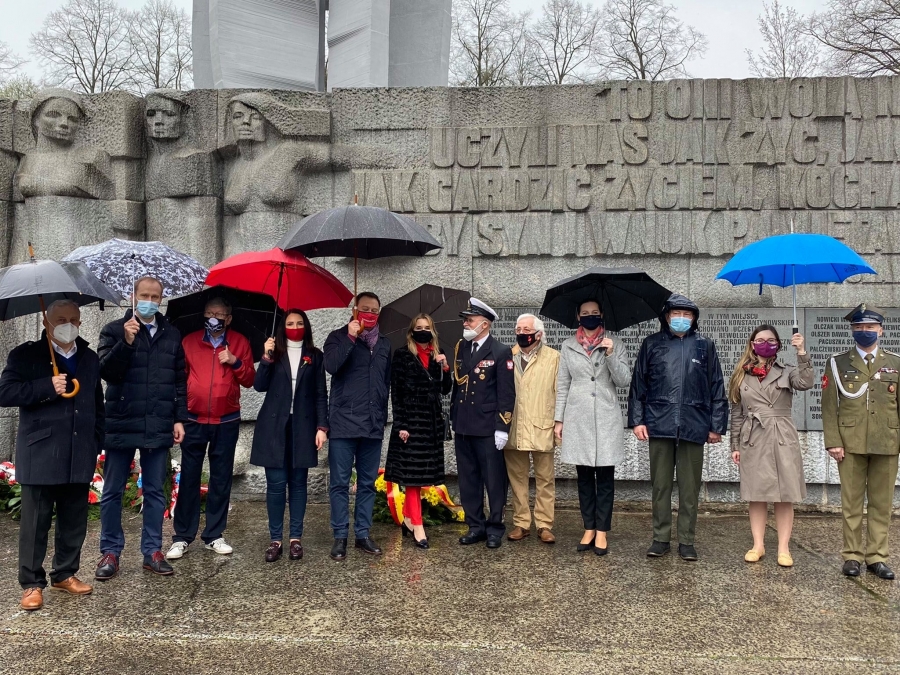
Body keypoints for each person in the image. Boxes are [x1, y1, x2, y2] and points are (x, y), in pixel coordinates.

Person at [0, 300, 104, 611]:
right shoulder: (26, 355)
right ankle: (31, 583)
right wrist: (47, 386)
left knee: (74, 519)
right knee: (36, 522)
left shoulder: (88, 357)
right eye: (60, 319)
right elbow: (5, 392)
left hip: (79, 450)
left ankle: (65, 573)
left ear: (80, 323)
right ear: (47, 322)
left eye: (73, 319)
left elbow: (97, 402)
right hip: (41, 450)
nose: (67, 324)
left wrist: (97, 441)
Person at [95, 276, 188, 580]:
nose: (149, 301)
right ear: (133, 297)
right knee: (112, 490)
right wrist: (126, 342)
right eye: (144, 295)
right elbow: (107, 372)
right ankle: (110, 551)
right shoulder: (113, 330)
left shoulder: (171, 334)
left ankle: (152, 551)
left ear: (161, 299)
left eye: (155, 296)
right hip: (121, 420)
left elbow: (179, 379)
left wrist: (179, 418)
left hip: (157, 421)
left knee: (154, 491)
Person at [628, 293, 728, 562]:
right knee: (660, 485)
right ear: (667, 316)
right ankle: (660, 538)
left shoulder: (705, 346)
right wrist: (638, 420)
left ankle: (686, 540)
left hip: (694, 424)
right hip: (659, 422)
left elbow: (716, 386)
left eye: (687, 314)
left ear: (694, 318)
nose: (682, 319)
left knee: (689, 487)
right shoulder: (652, 344)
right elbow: (639, 384)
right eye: (676, 314)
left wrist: (716, 425)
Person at [165, 298, 256, 562]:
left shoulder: (240, 341)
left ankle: (214, 535)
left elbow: (250, 380)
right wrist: (177, 416)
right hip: (193, 420)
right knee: (189, 477)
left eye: (219, 314)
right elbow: (178, 381)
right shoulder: (189, 341)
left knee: (221, 478)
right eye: (209, 313)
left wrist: (235, 361)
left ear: (229, 318)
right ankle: (182, 537)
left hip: (226, 420)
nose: (213, 317)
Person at [823, 304, 900, 580]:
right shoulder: (838, 363)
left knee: (882, 503)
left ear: (881, 330)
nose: (864, 331)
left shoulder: (895, 362)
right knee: (851, 503)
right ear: (852, 330)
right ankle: (852, 556)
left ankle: (877, 557)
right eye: (858, 327)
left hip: (886, 442)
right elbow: (829, 406)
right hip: (850, 443)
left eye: (869, 327)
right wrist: (833, 441)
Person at [728, 325, 813, 568]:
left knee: (785, 495)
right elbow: (737, 413)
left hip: (782, 436)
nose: (765, 344)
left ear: (778, 344)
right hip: (753, 437)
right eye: (760, 340)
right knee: (756, 494)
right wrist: (735, 445)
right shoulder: (741, 374)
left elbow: (806, 382)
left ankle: (784, 548)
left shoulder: (787, 371)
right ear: (752, 344)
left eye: (771, 340)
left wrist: (802, 352)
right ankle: (758, 545)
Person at [250, 309, 328, 562]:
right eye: (290, 323)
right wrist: (265, 356)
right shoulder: (275, 353)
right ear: (283, 327)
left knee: (298, 483)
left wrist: (322, 427)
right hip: (273, 426)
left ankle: (295, 538)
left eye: (299, 323)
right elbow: (259, 385)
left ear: (306, 326)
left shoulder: (315, 356)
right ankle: (275, 540)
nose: (295, 327)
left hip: (303, 426)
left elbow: (320, 393)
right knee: (275, 485)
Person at [555, 301, 631, 555]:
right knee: (585, 477)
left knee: (605, 478)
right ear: (578, 316)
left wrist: (610, 354)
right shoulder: (568, 345)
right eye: (585, 313)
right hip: (578, 417)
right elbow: (563, 384)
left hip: (606, 416)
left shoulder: (614, 343)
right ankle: (588, 527)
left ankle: (602, 531)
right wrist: (559, 420)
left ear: (602, 315)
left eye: (594, 313)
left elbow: (623, 380)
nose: (590, 317)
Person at [323, 292, 392, 561]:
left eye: (374, 310)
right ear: (354, 310)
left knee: (367, 484)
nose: (370, 314)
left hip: (373, 424)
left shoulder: (384, 343)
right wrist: (350, 338)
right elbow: (331, 366)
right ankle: (340, 535)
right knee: (339, 483)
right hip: (344, 423)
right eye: (365, 309)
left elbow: (386, 382)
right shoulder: (337, 337)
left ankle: (363, 534)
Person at [451, 298, 515, 549]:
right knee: (468, 479)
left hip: (488, 427)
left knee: (494, 480)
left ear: (485, 324)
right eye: (465, 320)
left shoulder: (500, 351)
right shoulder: (461, 349)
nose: (465, 324)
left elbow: (506, 393)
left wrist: (502, 426)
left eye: (470, 320)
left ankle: (495, 527)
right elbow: (458, 387)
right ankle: (475, 526)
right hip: (464, 425)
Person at [384, 314, 452, 549]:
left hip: (430, 422)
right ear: (412, 331)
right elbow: (396, 392)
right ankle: (418, 525)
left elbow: (445, 390)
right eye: (419, 327)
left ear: (432, 330)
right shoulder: (402, 355)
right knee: (412, 477)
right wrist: (401, 424)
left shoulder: (437, 354)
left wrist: (445, 367)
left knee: (422, 475)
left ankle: (408, 519)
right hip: (411, 422)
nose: (423, 331)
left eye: (427, 327)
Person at [505, 313, 560, 545]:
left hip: (542, 425)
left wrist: (559, 422)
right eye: (518, 330)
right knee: (517, 479)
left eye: (526, 330)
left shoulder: (553, 358)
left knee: (545, 479)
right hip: (514, 427)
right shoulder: (507, 356)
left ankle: (545, 524)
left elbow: (560, 392)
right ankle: (521, 523)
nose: (521, 334)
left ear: (539, 334)